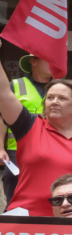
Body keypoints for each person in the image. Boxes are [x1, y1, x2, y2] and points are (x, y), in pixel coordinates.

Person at [0, 40, 72, 217]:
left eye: (62, 98)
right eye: (50, 98)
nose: (54, 102)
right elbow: (3, 93)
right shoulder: (29, 125)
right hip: (29, 222)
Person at [0, 52, 53, 201]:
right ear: (33, 62)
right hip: (17, 152)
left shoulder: (59, 87)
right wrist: (0, 148)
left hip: (51, 151)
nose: (53, 63)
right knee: (14, 198)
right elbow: (2, 118)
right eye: (47, 59)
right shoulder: (16, 85)